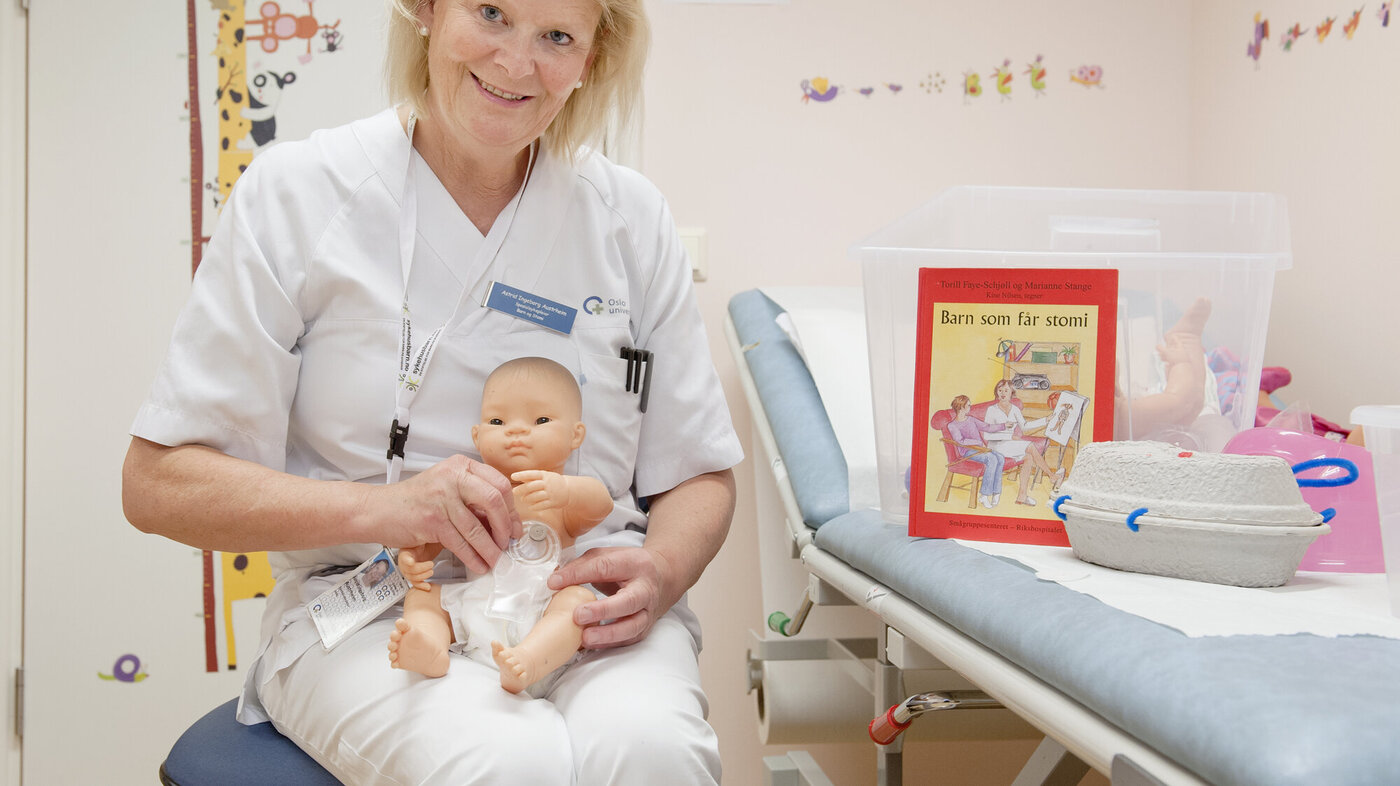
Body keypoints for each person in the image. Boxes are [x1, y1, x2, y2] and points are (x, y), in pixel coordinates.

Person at [121, 0, 742, 781]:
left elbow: (698, 471)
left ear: (592, 58)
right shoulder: (302, 194)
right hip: (371, 606)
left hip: (575, 593)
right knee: (510, 762)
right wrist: (386, 509)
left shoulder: (628, 217)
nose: (517, 63)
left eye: (557, 36)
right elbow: (156, 485)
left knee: (654, 752)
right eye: (491, 13)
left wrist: (663, 571)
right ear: (426, 10)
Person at [388, 356, 613, 696]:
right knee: (424, 596)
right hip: (474, 601)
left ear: (575, 434)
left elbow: (602, 504)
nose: (516, 430)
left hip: (541, 608)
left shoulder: (559, 497)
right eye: (497, 420)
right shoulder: (471, 491)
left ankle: (529, 660)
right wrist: (414, 558)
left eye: (540, 419)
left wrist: (565, 490)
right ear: (477, 437)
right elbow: (435, 535)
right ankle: (429, 646)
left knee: (577, 601)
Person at [983, 378, 1066, 506]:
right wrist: (1007, 435)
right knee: (1030, 446)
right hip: (996, 446)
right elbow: (987, 435)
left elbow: (1025, 426)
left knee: (1028, 458)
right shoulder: (991, 410)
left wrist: (1046, 420)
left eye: (1006, 390)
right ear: (997, 392)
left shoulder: (1015, 409)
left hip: (1009, 444)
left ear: (1012, 392)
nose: (1003, 393)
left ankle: (1022, 496)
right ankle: (1052, 476)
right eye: (1000, 390)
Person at [945, 395, 1008, 509]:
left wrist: (1003, 426)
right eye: (968, 405)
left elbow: (987, 427)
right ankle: (984, 495)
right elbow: (960, 441)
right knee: (991, 458)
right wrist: (977, 442)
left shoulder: (971, 419)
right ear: (961, 408)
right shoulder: (952, 425)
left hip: (980, 450)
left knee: (1000, 457)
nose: (970, 407)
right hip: (968, 452)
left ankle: (996, 492)